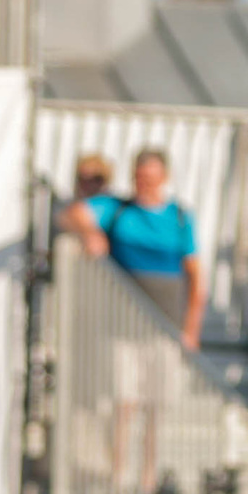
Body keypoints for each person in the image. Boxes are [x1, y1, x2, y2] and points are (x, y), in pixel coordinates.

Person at [69, 149, 205, 349]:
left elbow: (195, 277)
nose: (144, 185)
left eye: (150, 179)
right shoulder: (118, 210)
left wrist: (191, 331)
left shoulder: (180, 217)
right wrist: (90, 232)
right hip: (122, 331)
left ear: (164, 178)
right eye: (139, 178)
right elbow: (74, 213)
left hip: (167, 331)